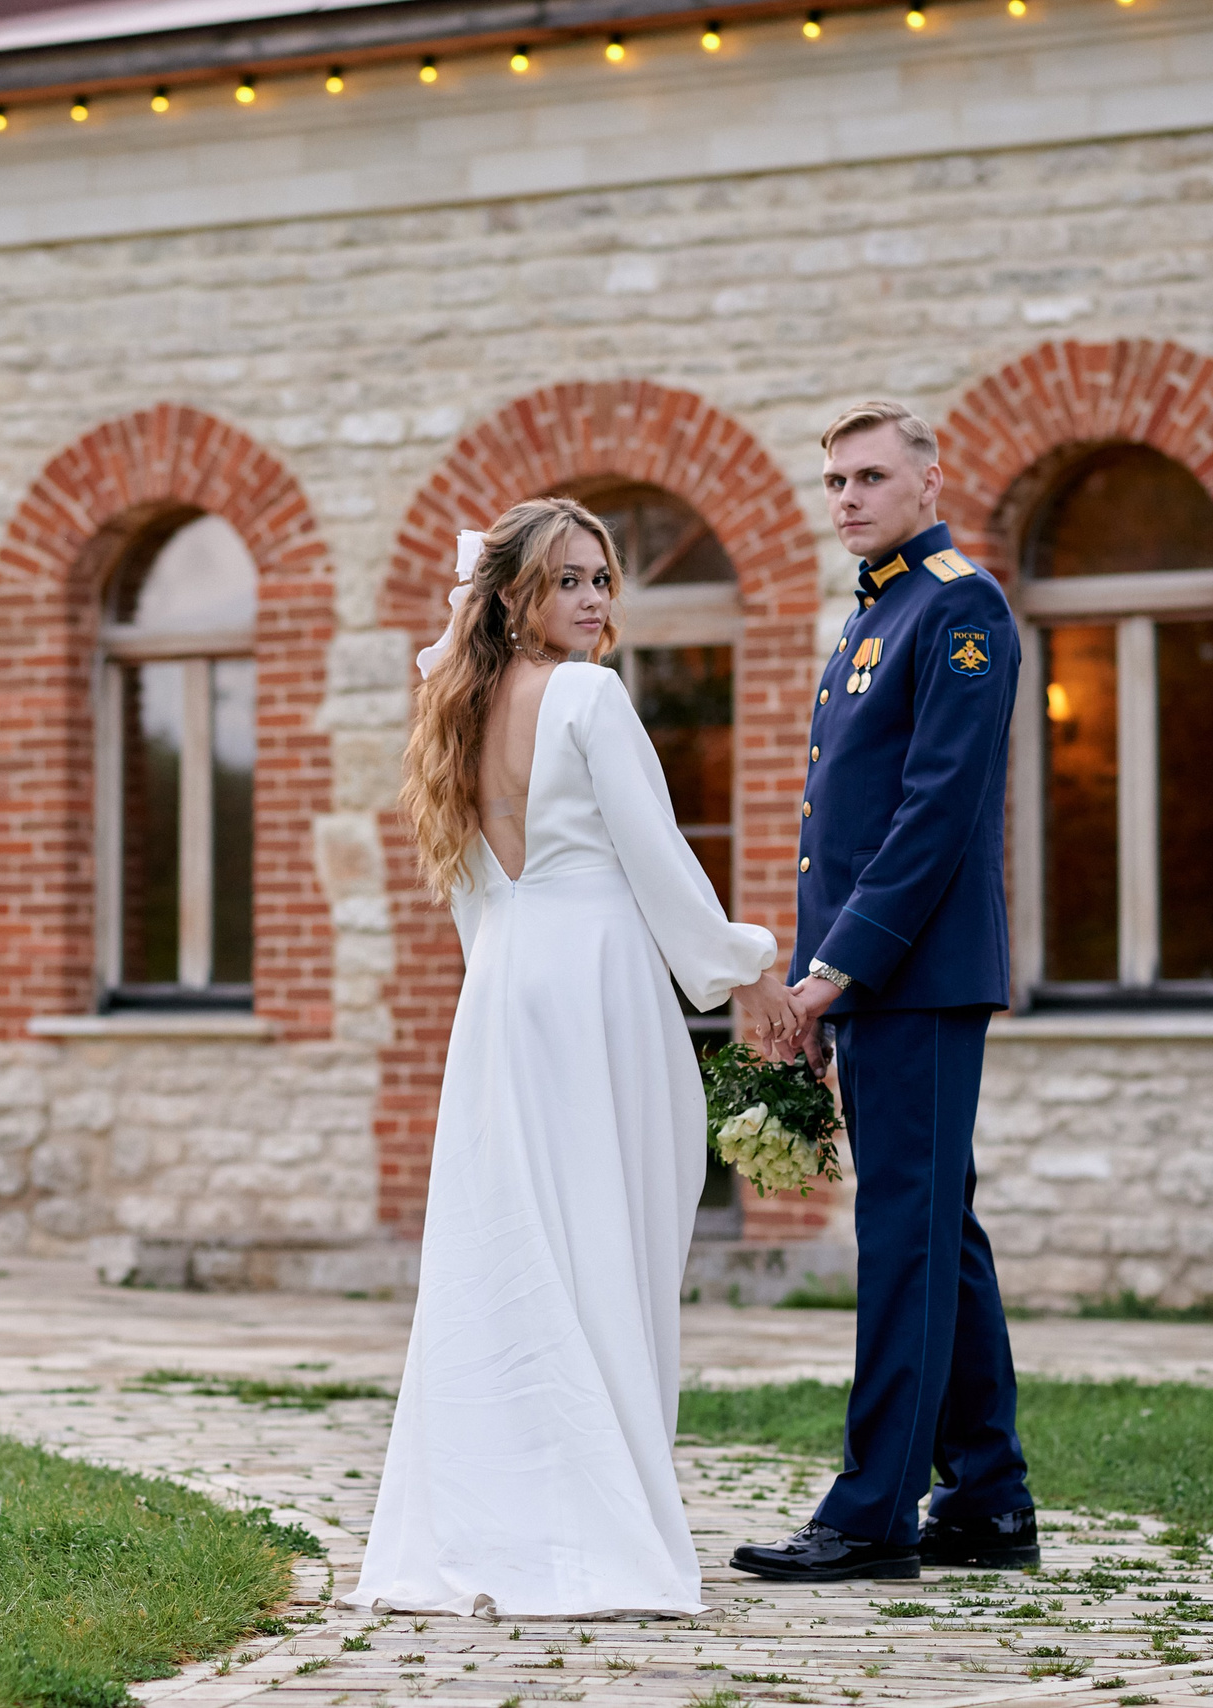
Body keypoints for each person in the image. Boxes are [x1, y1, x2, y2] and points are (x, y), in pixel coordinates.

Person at [342, 495, 807, 1619]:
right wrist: (749, 968)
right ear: (515, 597)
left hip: (502, 992)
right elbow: (659, 860)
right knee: (612, 1239)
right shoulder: (590, 697)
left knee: (509, 1246)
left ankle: (498, 1522)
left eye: (602, 580)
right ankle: (604, 1528)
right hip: (598, 987)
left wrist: (503, 978)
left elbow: (468, 895)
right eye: (569, 582)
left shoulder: (453, 708)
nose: (594, 603)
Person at [731, 402, 1038, 1584]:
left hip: (914, 978)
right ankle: (988, 1496)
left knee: (903, 1239)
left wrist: (829, 973)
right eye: (832, 481)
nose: (847, 498)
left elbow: (936, 811)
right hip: (879, 979)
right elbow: (842, 826)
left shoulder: (956, 603)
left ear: (927, 479)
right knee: (935, 1228)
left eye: (868, 477)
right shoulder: (883, 605)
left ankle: (870, 1512)